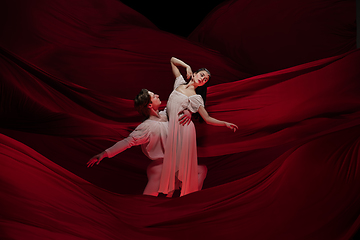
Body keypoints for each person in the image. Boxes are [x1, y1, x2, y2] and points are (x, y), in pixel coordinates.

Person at [87, 89, 208, 196]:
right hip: (160, 166)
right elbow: (127, 142)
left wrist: (189, 112)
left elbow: (183, 103)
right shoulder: (146, 127)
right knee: (148, 200)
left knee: (201, 170)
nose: (157, 94)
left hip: (176, 165)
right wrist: (105, 153)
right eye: (154, 96)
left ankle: (187, 201)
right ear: (150, 105)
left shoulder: (167, 114)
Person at [158, 57, 238, 197]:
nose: (203, 79)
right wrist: (186, 65)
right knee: (171, 162)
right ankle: (168, 199)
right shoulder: (179, 82)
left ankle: (176, 198)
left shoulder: (196, 98)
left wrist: (225, 123)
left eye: (206, 79)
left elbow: (207, 118)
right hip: (172, 127)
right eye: (202, 75)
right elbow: (172, 60)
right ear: (194, 74)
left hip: (184, 130)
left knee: (178, 163)